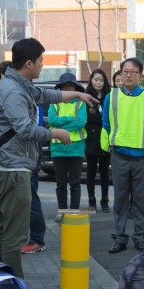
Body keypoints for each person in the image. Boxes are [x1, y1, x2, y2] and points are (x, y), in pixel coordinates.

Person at [0, 39, 96, 289]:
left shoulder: (20, 85)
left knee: (1, 229)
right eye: (42, 61)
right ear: (29, 63)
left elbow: (47, 96)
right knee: (14, 235)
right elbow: (25, 129)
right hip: (12, 170)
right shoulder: (12, 91)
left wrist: (78, 95)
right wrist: (56, 133)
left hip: (10, 167)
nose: (43, 65)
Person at [102, 57, 144, 254]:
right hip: (119, 155)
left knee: (140, 199)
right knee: (120, 199)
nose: (128, 74)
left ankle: (140, 237)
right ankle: (120, 237)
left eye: (133, 71)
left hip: (142, 155)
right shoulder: (112, 97)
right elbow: (106, 124)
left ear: (140, 75)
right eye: (125, 71)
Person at [47, 72, 88, 220]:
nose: (68, 89)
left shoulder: (80, 102)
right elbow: (52, 120)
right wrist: (71, 119)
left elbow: (81, 122)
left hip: (76, 148)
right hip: (58, 148)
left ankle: (74, 211)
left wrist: (61, 123)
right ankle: (62, 211)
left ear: (75, 87)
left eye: (70, 86)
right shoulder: (55, 102)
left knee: (75, 183)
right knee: (61, 182)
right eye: (65, 86)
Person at [84, 68, 111, 213]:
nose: (98, 82)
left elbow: (111, 117)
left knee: (105, 171)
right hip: (91, 138)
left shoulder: (109, 95)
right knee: (91, 170)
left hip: (105, 137)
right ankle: (91, 199)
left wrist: (101, 119)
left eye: (101, 80)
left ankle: (105, 199)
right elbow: (87, 118)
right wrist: (101, 119)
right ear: (91, 80)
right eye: (96, 79)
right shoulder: (86, 96)